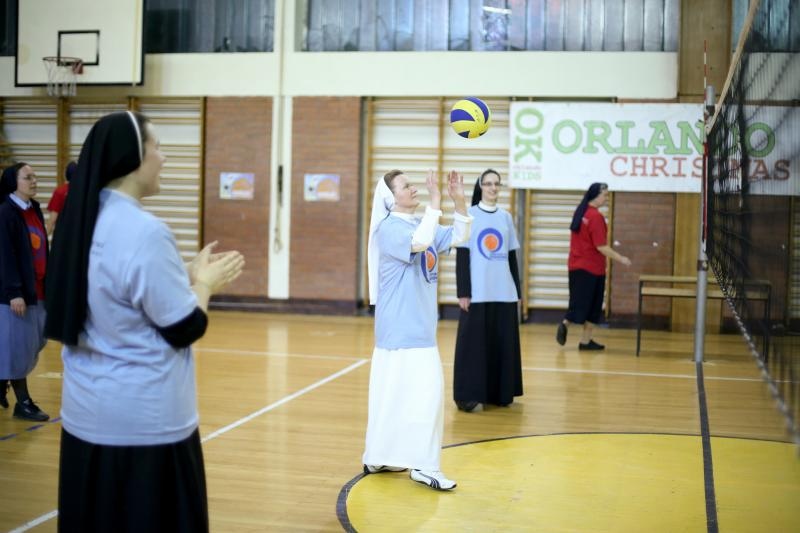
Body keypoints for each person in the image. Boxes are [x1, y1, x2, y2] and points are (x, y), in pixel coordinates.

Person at [44, 111, 245, 532]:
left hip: (85, 418)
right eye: (157, 146)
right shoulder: (144, 230)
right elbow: (185, 327)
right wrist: (205, 284)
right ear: (132, 157)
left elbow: (114, 286)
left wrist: (184, 272)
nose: (164, 157)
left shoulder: (81, 221)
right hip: (144, 427)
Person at [363, 168, 472, 491]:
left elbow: (460, 236)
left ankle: (378, 456)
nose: (413, 189)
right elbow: (420, 242)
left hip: (418, 330)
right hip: (399, 330)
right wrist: (435, 201)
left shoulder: (419, 224)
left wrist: (459, 200)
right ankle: (425, 467)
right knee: (423, 398)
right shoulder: (389, 229)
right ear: (390, 197)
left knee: (397, 398)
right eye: (405, 186)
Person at [453, 169, 522, 412]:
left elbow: (511, 257)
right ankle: (468, 396)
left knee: (501, 346)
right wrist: (463, 292)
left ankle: (499, 393)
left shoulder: (506, 217)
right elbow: (462, 255)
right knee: (472, 347)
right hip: (477, 293)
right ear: (481, 186)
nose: (493, 188)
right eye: (488, 183)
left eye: (497, 184)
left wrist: (518, 293)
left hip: (504, 293)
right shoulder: (468, 215)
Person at [0, 162, 50, 421]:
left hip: (37, 290)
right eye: (27, 177)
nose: (34, 181)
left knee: (36, 342)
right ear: (13, 182)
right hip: (15, 296)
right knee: (18, 349)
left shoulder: (34, 209)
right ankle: (24, 403)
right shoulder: (6, 212)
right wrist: (13, 292)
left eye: (35, 176)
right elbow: (5, 256)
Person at [556, 182, 631, 350]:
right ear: (596, 195)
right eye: (605, 195)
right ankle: (571, 328)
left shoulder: (581, 211)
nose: (606, 198)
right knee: (592, 305)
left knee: (579, 301)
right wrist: (621, 258)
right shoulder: (595, 217)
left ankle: (581, 338)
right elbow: (601, 246)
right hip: (592, 268)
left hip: (576, 266)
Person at [46, 160, 76, 234]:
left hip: (63, 233)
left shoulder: (60, 192)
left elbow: (52, 219)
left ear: (65, 174)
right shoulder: (84, 192)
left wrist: (44, 237)